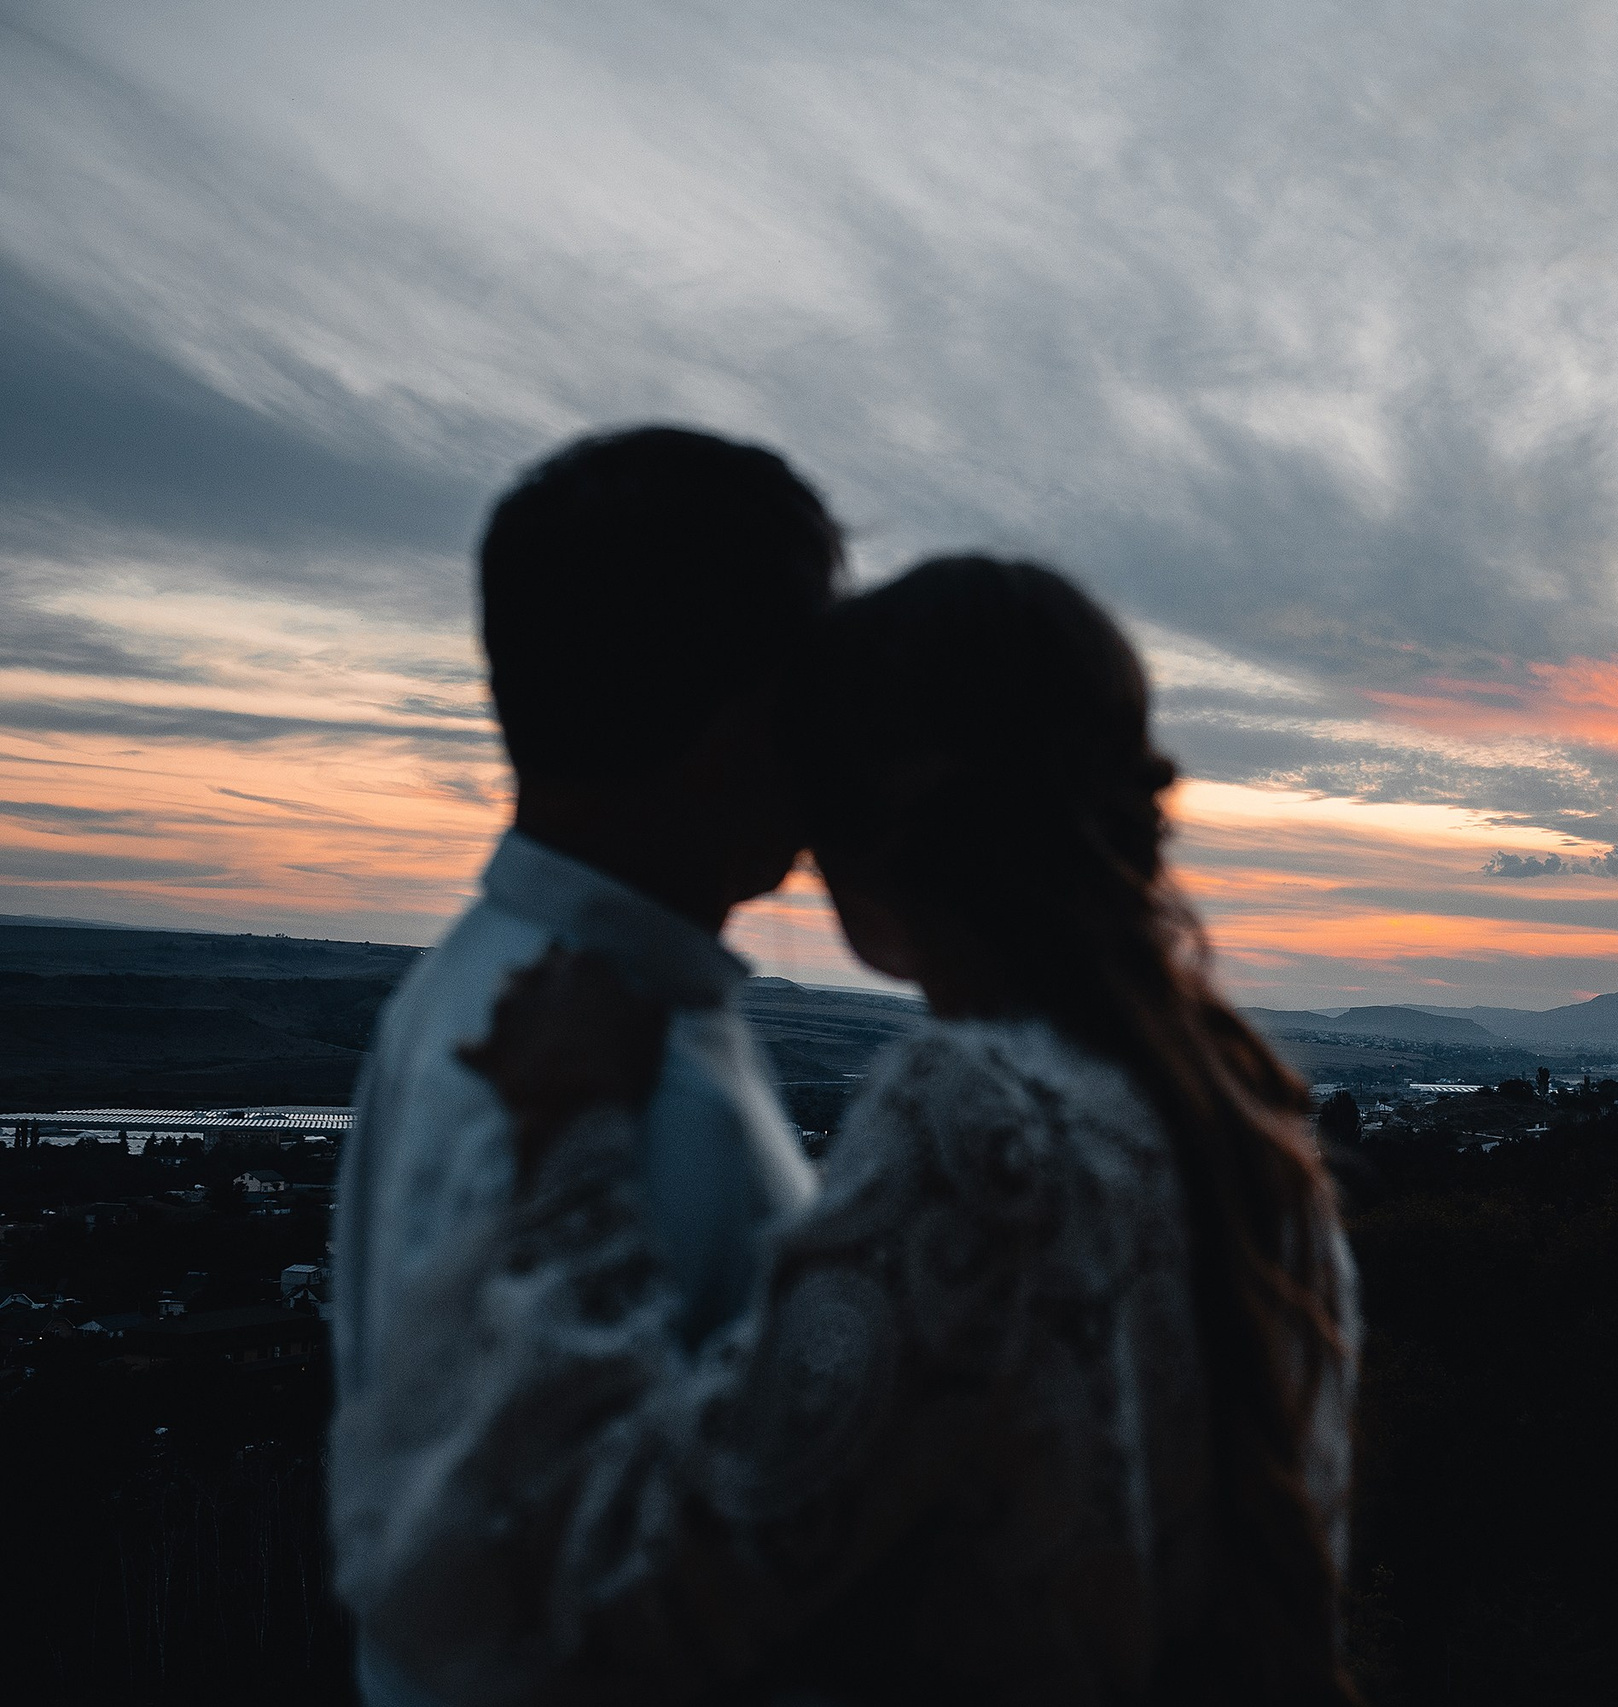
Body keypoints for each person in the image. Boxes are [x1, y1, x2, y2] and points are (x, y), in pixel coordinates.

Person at [331, 560, 1362, 1706]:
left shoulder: (972, 1119)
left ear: (866, 840)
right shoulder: (1256, 1141)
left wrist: (572, 1144)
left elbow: (662, 1577)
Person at [329, 427, 843, 1707]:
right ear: (743, 724)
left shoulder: (480, 988)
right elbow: (542, 1604)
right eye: (819, 689)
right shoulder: (615, 1077)